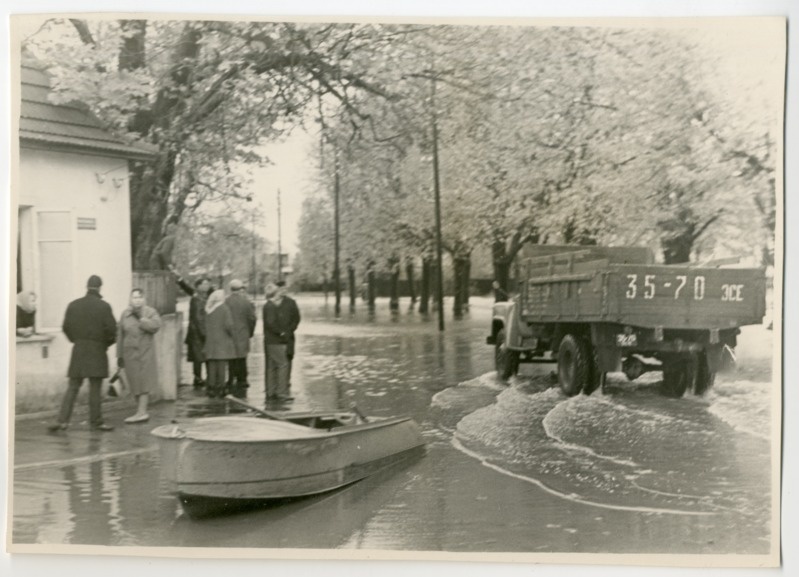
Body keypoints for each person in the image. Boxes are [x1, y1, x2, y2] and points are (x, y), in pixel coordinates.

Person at [48, 275, 117, 432]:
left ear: (87, 287)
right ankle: (96, 422)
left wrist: (76, 340)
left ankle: (62, 421)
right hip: (97, 350)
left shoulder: (73, 305)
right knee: (95, 388)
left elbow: (65, 327)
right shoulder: (104, 306)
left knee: (73, 386)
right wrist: (104, 345)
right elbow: (113, 331)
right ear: (100, 287)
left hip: (78, 349)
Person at [117, 288, 161, 423]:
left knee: (144, 382)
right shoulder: (125, 314)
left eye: (140, 297)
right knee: (134, 382)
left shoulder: (150, 312)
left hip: (145, 353)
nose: (137, 300)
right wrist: (119, 356)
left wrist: (142, 320)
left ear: (144, 299)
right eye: (135, 297)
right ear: (130, 299)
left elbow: (156, 326)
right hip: (130, 354)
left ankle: (142, 412)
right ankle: (140, 411)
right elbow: (120, 336)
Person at [173, 268, 211, 388]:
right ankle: (198, 378)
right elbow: (198, 317)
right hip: (197, 333)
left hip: (200, 332)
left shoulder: (205, 296)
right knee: (199, 358)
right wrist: (204, 333)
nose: (207, 286)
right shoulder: (197, 298)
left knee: (203, 356)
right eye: (204, 284)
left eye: (208, 284)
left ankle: (204, 377)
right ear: (198, 286)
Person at [225, 279, 256, 398]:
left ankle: (231, 378)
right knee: (242, 358)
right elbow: (252, 318)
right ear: (240, 289)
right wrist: (250, 332)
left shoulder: (226, 302)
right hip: (243, 333)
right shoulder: (246, 302)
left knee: (231, 358)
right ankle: (242, 380)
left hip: (229, 334)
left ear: (230, 289)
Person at [203, 289, 236, 398]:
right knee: (221, 366)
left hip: (210, 341)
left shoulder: (208, 309)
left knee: (212, 365)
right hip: (222, 340)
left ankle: (211, 388)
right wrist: (233, 335)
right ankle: (221, 388)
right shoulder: (224, 308)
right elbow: (229, 325)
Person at [262, 282, 292, 403]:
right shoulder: (271, 306)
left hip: (270, 340)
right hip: (276, 341)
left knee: (271, 366)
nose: (280, 294)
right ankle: (281, 392)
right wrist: (282, 332)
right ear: (274, 294)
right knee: (283, 364)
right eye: (278, 292)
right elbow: (271, 323)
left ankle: (271, 391)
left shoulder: (268, 305)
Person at [275, 280, 301, 390]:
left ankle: (287, 379)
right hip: (276, 336)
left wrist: (290, 329)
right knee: (277, 357)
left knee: (289, 356)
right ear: (277, 290)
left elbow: (297, 318)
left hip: (289, 335)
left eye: (285, 289)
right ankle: (277, 380)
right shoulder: (273, 303)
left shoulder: (291, 302)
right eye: (281, 289)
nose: (283, 291)